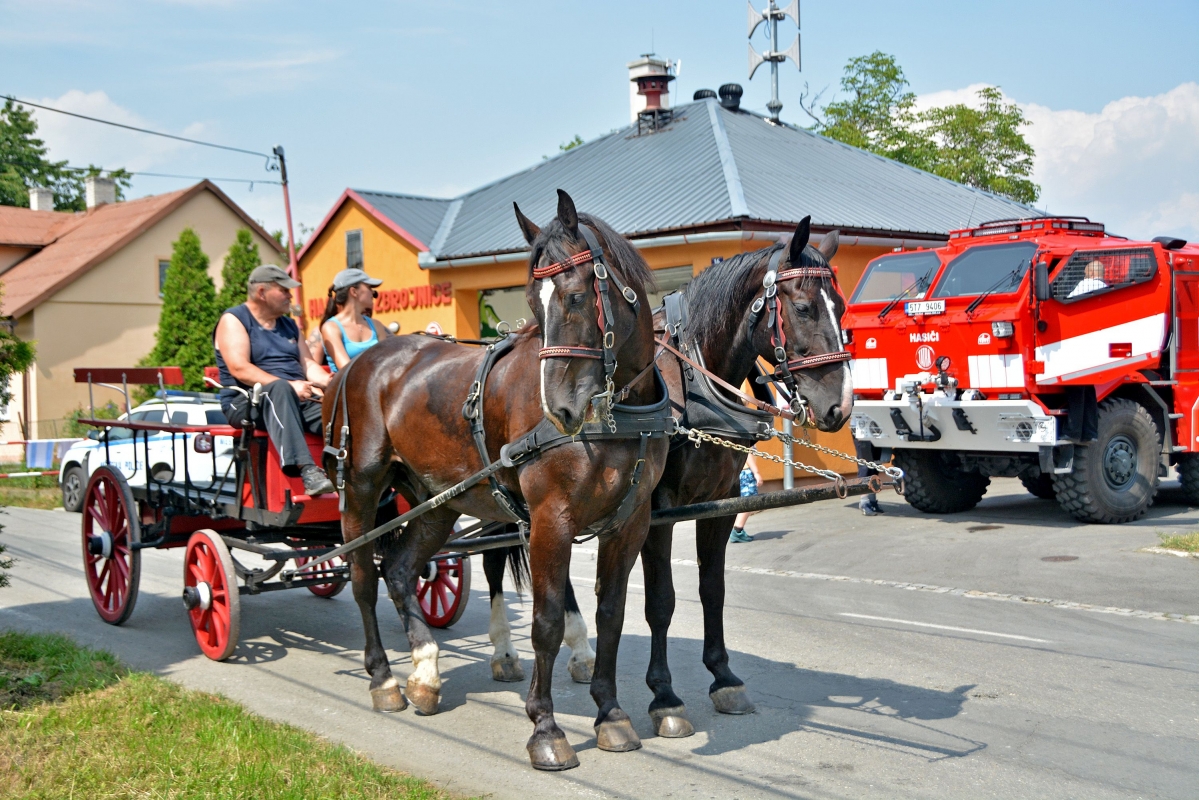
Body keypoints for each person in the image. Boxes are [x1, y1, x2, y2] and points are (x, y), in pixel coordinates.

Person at [214, 264, 334, 496]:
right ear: (261, 292)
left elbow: (308, 365)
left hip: (294, 398)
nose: (290, 295)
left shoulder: (289, 325)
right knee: (278, 388)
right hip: (247, 401)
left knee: (339, 412)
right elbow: (239, 369)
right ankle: (308, 471)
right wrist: (290, 385)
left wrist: (331, 382)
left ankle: (356, 470)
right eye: (284, 290)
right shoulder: (234, 319)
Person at [320, 268, 389, 372]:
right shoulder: (331, 327)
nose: (374, 293)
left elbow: (387, 363)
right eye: (369, 287)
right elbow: (346, 371)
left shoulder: (377, 325)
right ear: (354, 291)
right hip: (347, 387)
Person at [729, 451, 763, 543]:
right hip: (747, 472)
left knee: (746, 500)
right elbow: (747, 453)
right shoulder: (748, 438)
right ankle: (737, 530)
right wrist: (756, 472)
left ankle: (738, 530)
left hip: (741, 471)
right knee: (749, 501)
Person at [856, 438, 884, 516]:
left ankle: (872, 501)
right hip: (862, 431)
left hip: (876, 431)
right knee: (865, 467)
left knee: (876, 465)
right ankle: (864, 502)